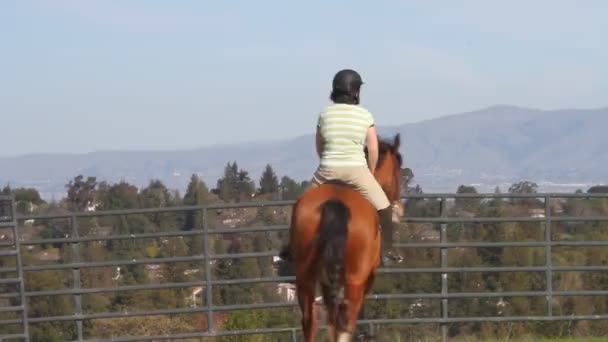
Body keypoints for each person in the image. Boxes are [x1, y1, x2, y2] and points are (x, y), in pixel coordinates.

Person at [311, 69, 401, 263]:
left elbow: (319, 146)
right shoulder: (365, 116)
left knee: (303, 203)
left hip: (327, 169)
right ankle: (388, 250)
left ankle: (291, 248)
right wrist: (369, 171)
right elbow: (373, 149)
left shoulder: (324, 115)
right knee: (385, 207)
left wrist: (326, 162)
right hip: (356, 170)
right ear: (355, 91)